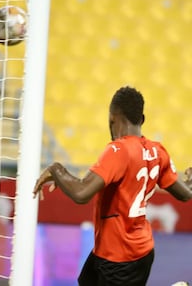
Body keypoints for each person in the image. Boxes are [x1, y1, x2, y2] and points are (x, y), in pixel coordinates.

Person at [33, 86, 192, 286]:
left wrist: (57, 169)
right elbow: (185, 194)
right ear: (141, 120)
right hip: (125, 251)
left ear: (111, 119)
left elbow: (81, 193)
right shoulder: (158, 151)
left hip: (120, 260)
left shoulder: (118, 151)